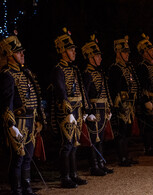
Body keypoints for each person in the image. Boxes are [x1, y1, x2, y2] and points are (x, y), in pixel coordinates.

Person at [0, 30, 46, 195]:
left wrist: (40, 118)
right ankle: (17, 190)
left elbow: (36, 96)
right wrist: (11, 125)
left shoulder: (26, 73)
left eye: (22, 52)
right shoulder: (7, 75)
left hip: (31, 121)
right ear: (10, 55)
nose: (22, 55)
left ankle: (27, 188)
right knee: (17, 159)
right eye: (18, 52)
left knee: (28, 157)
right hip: (18, 122)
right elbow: (7, 102)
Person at [51, 27, 87, 188]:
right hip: (66, 111)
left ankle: (74, 174)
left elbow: (81, 89)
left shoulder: (74, 69)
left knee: (75, 143)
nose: (74, 52)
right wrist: (68, 111)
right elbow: (60, 90)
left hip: (77, 109)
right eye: (71, 50)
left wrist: (85, 109)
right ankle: (65, 176)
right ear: (63, 52)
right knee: (66, 144)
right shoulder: (58, 69)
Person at [82, 34, 113, 176]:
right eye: (97, 55)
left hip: (102, 109)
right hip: (94, 110)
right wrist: (88, 112)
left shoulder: (99, 73)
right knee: (93, 139)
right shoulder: (87, 74)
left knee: (100, 138)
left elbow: (105, 91)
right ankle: (94, 165)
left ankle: (101, 163)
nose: (100, 58)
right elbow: (85, 94)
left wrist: (108, 108)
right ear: (90, 57)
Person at [108, 35, 140, 166]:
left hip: (129, 105)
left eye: (127, 52)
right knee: (121, 132)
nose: (127, 55)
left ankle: (126, 155)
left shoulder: (128, 68)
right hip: (120, 106)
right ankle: (121, 157)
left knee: (127, 132)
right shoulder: (115, 69)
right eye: (124, 53)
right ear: (118, 53)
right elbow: (113, 88)